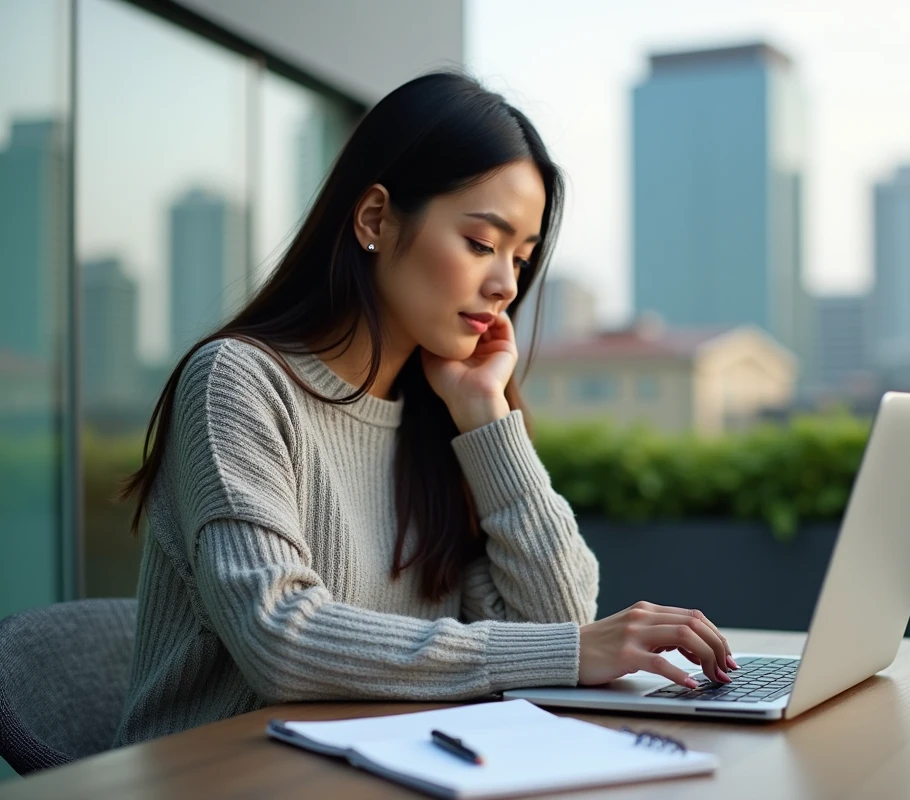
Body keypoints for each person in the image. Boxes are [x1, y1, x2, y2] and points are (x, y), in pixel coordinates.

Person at [113, 72, 737, 746]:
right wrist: (568, 651)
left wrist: (487, 416)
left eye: (522, 259)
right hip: (218, 777)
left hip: (384, 769)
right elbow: (280, 637)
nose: (504, 285)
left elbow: (556, 617)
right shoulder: (238, 382)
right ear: (376, 219)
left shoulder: (437, 413)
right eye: (480, 243)